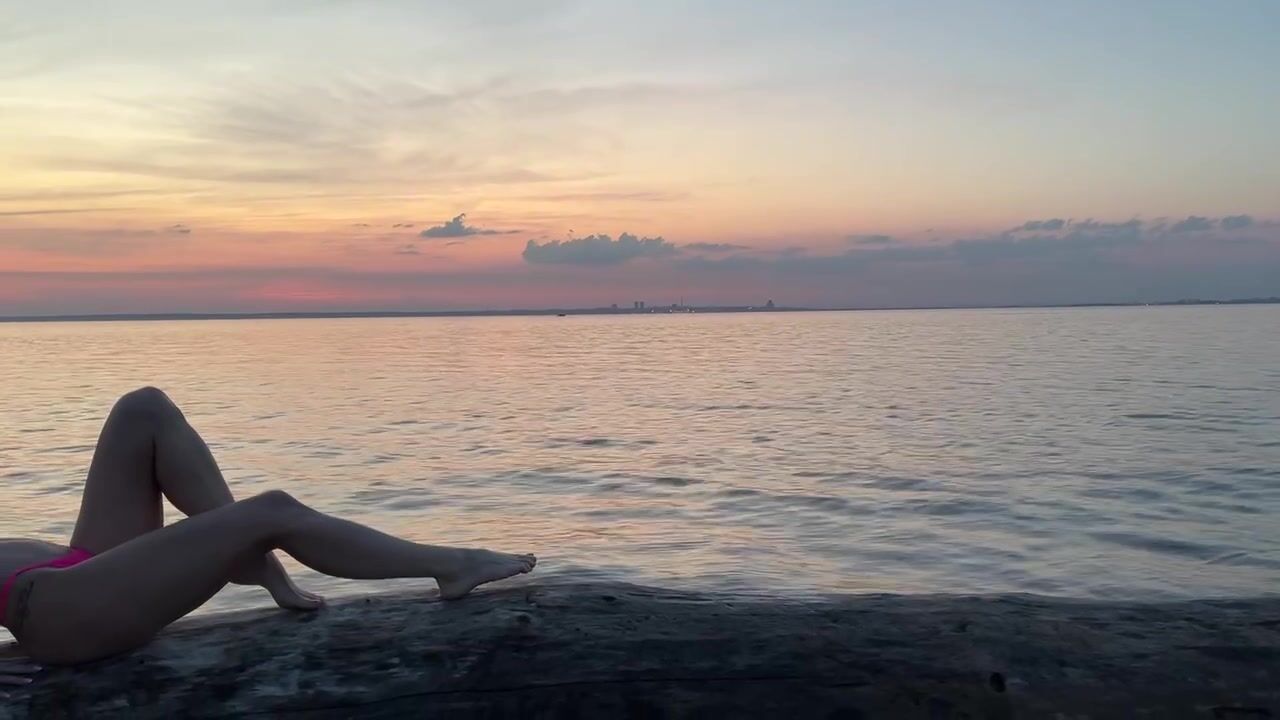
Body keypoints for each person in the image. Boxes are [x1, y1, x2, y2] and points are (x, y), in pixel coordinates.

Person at [0, 387, 536, 668]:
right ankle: (450, 566)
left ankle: (256, 560)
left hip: (75, 570)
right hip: (54, 612)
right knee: (274, 509)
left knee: (143, 410)